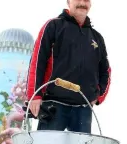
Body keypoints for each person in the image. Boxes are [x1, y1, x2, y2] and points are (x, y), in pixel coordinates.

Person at [25, 0, 111, 133]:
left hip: (83, 108)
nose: (82, 3)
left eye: (86, 0)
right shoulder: (54, 26)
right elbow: (37, 61)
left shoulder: (97, 37)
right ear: (68, 2)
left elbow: (105, 70)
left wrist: (99, 95)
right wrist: (34, 95)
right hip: (54, 103)